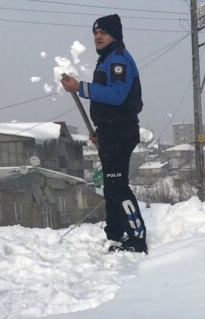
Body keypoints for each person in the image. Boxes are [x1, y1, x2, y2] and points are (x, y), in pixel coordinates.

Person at [60, 14, 148, 253]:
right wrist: (103, 130)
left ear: (115, 35)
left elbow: (117, 94)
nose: (98, 36)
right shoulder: (108, 59)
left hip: (121, 130)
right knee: (111, 185)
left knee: (117, 185)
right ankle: (116, 233)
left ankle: (137, 237)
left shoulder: (119, 60)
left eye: (103, 33)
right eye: (95, 33)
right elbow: (109, 101)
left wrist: (80, 87)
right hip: (112, 130)